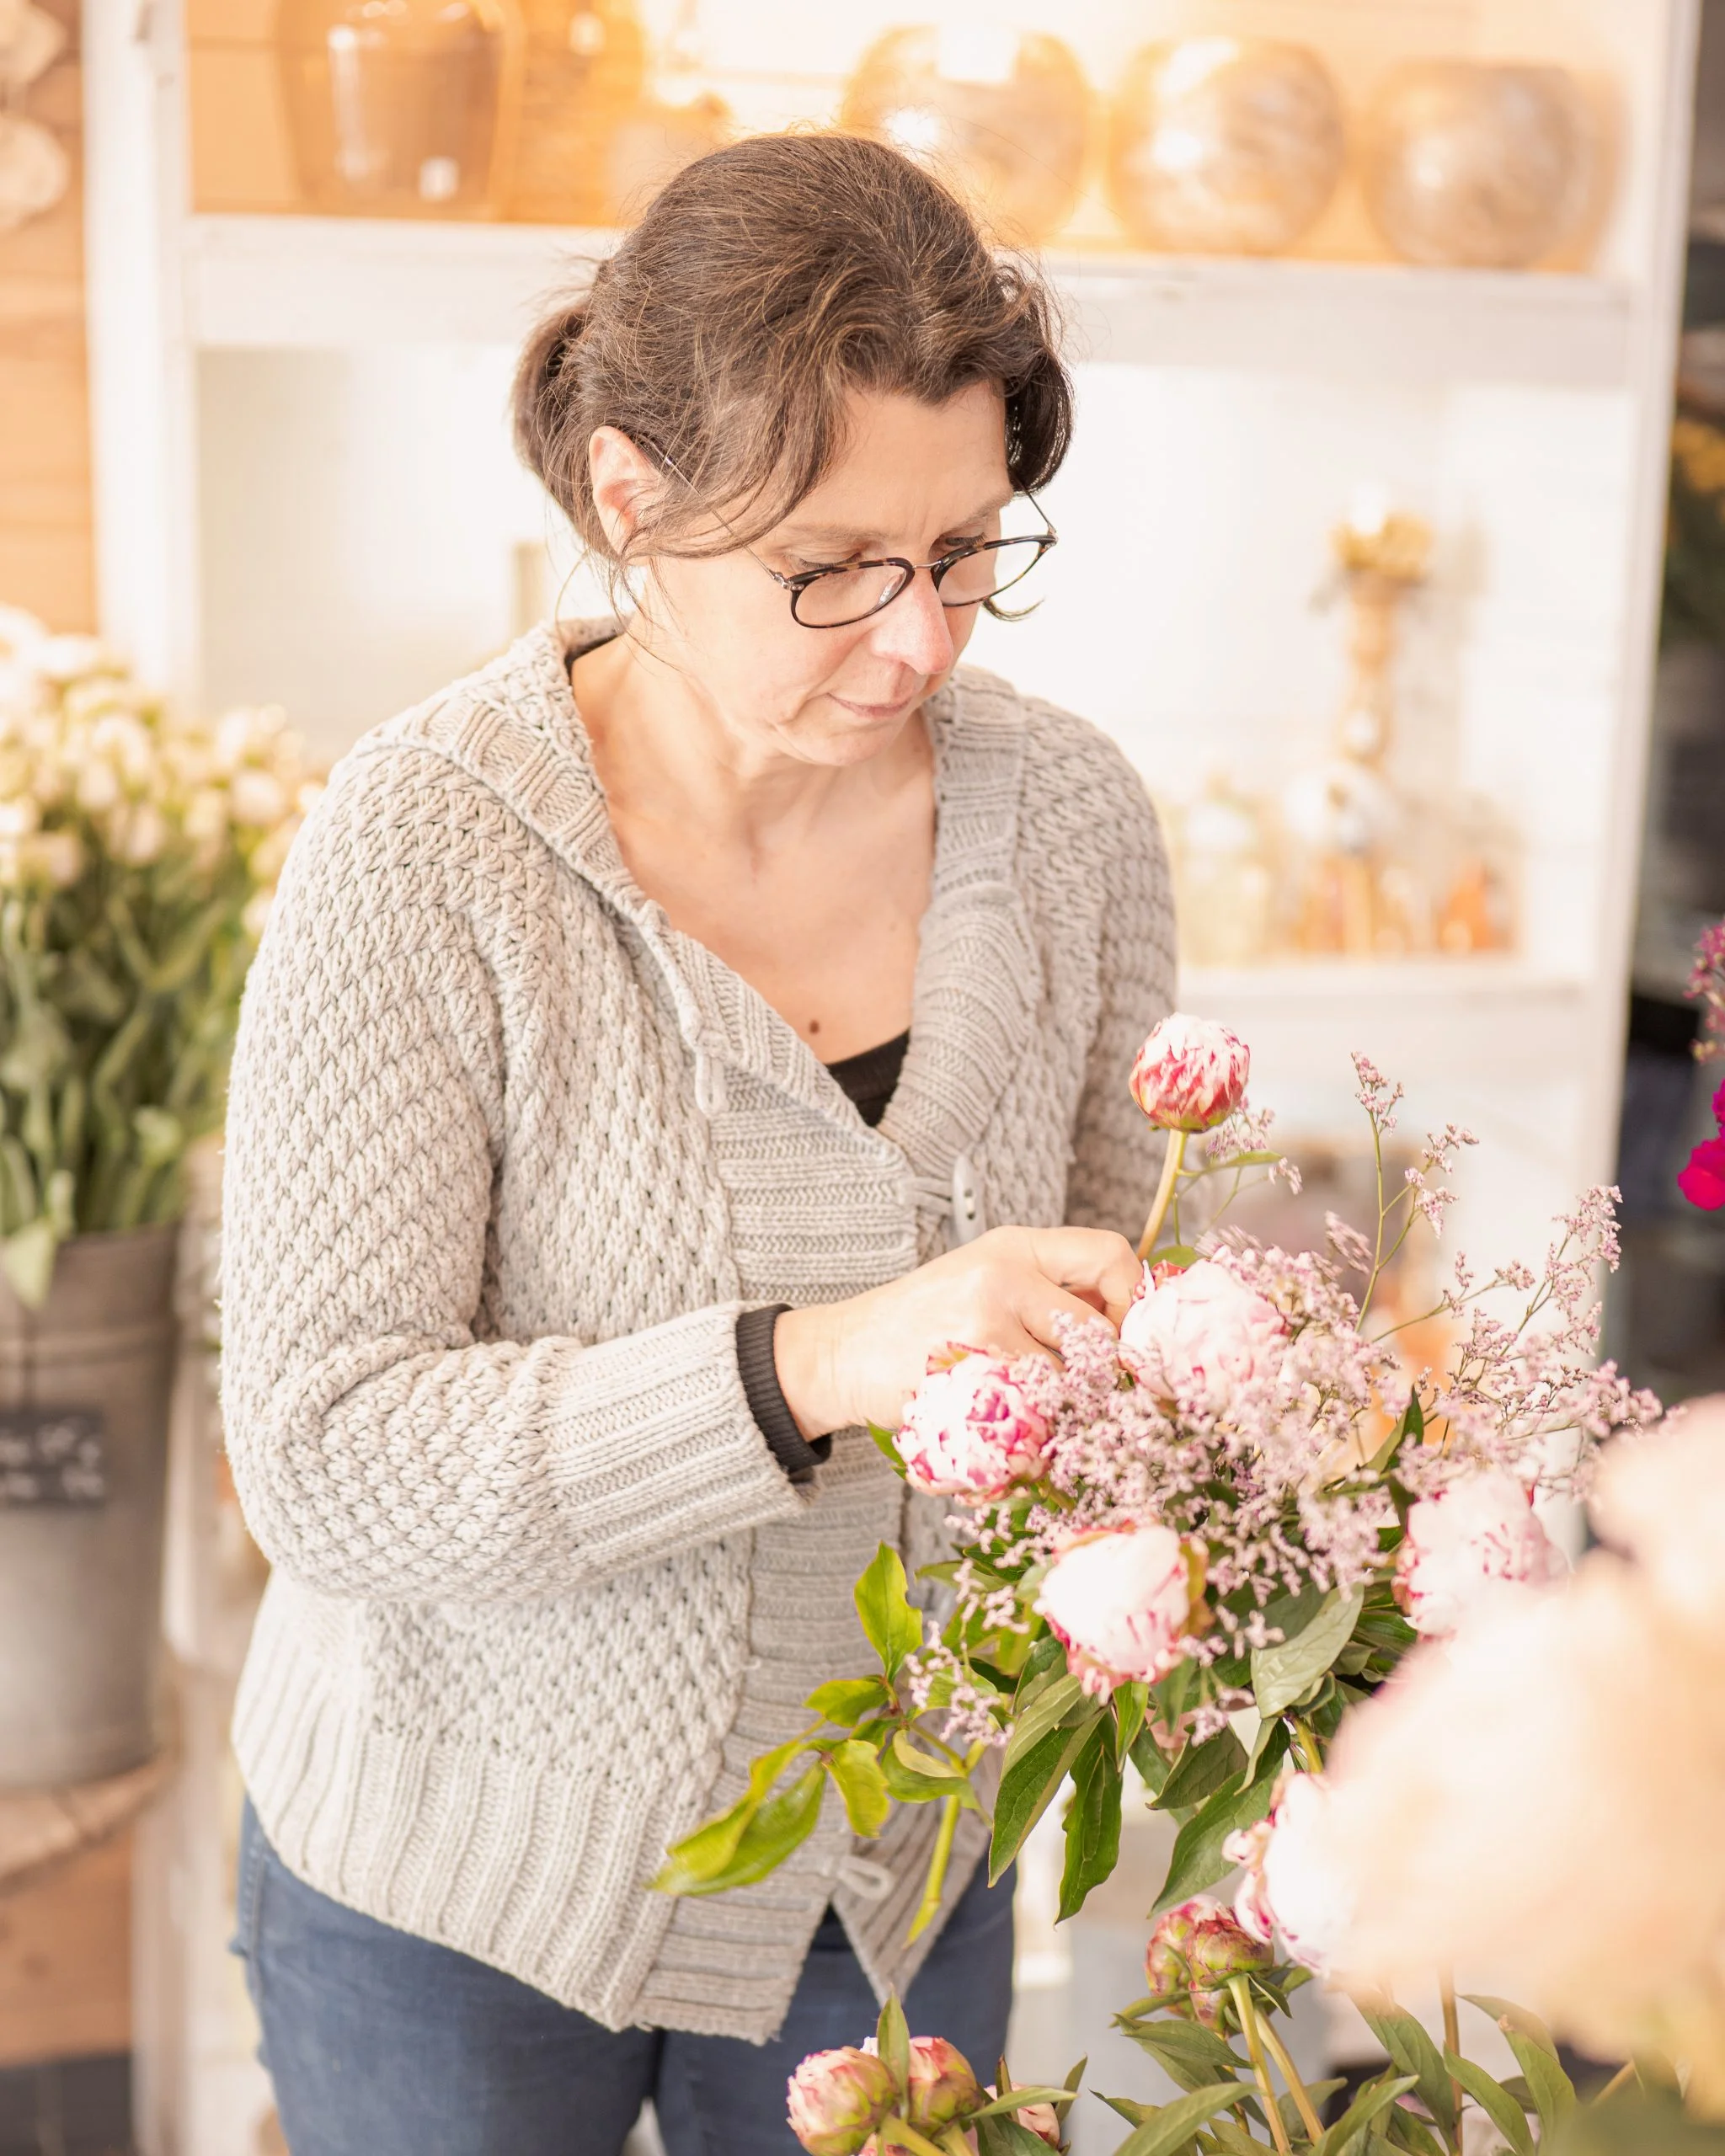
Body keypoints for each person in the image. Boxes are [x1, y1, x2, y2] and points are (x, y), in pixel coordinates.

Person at [221, 131, 1174, 2156]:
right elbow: (321, 1455)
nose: (916, 640)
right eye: (826, 566)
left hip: (896, 1865)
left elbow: (1115, 1300)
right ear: (628, 497)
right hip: (459, 1878)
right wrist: (814, 1360)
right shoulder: (427, 846)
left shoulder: (1072, 821)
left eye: (965, 550)